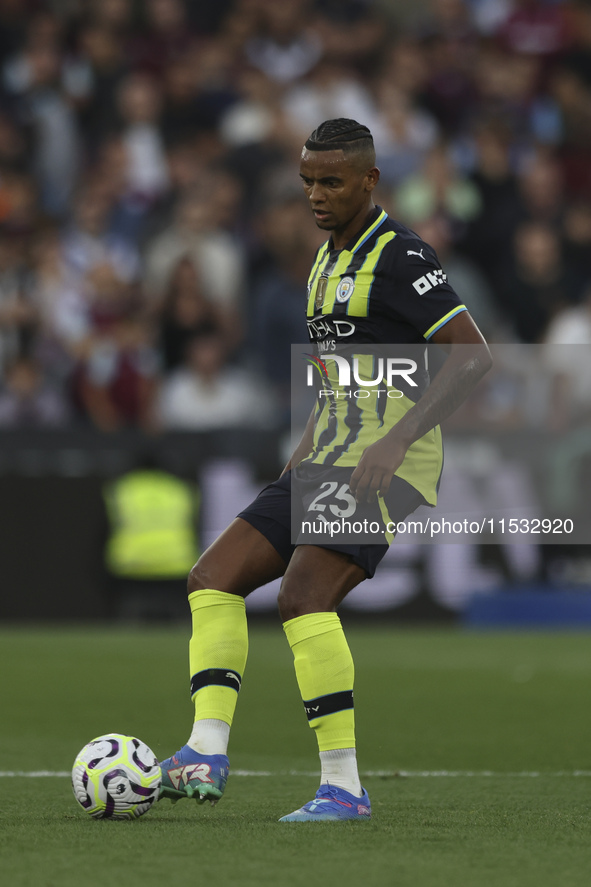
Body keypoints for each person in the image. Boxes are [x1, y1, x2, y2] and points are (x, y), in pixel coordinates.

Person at [158, 118, 491, 822]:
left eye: (330, 182)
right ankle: (202, 750)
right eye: (307, 181)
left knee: (303, 597)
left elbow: (472, 354)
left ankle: (343, 786)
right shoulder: (322, 262)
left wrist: (395, 440)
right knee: (212, 580)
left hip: (383, 463)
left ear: (369, 181)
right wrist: (302, 450)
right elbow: (335, 376)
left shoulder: (400, 256)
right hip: (327, 454)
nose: (315, 195)